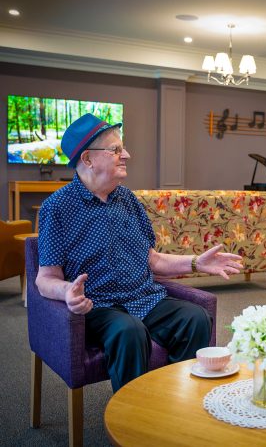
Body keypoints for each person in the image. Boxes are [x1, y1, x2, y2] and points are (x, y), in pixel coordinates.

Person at [35, 113, 243, 392]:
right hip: (99, 305)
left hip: (143, 298)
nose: (127, 155)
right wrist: (67, 293)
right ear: (87, 159)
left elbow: (152, 260)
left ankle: (181, 401)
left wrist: (196, 263)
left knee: (195, 319)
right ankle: (132, 420)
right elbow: (45, 278)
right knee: (129, 331)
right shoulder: (57, 208)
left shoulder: (128, 199)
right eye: (116, 149)